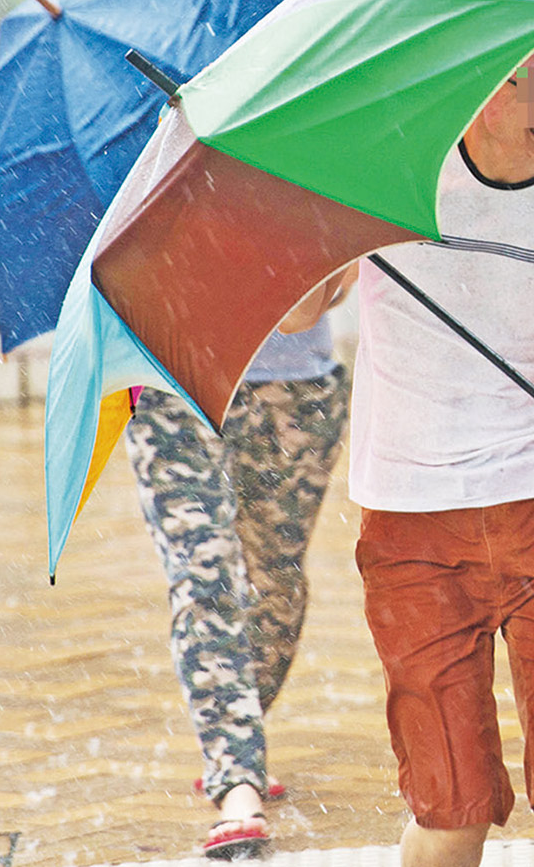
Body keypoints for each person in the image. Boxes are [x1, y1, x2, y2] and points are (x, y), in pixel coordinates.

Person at [289, 12, 534, 867]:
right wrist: (309, 209)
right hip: (409, 529)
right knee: (449, 811)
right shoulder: (389, 169)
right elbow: (295, 312)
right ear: (478, 83)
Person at [123, 319, 351, 862]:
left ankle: (240, 733)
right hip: (171, 387)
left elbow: (330, 286)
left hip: (297, 391)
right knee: (204, 578)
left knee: (277, 580)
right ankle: (237, 782)